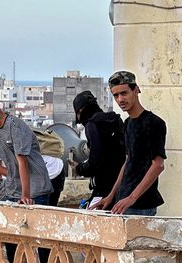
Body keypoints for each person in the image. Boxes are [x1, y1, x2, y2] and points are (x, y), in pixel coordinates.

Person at [91, 71, 166, 215]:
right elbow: (128, 161)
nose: (120, 99)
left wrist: (132, 197)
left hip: (142, 204)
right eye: (116, 95)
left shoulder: (154, 123)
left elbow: (158, 165)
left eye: (124, 93)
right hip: (123, 202)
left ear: (136, 90)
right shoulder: (128, 123)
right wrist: (111, 196)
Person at [71, 90, 126, 210]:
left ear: (80, 111)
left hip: (104, 189)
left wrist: (79, 168)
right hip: (122, 186)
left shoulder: (92, 125)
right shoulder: (115, 119)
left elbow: (96, 161)